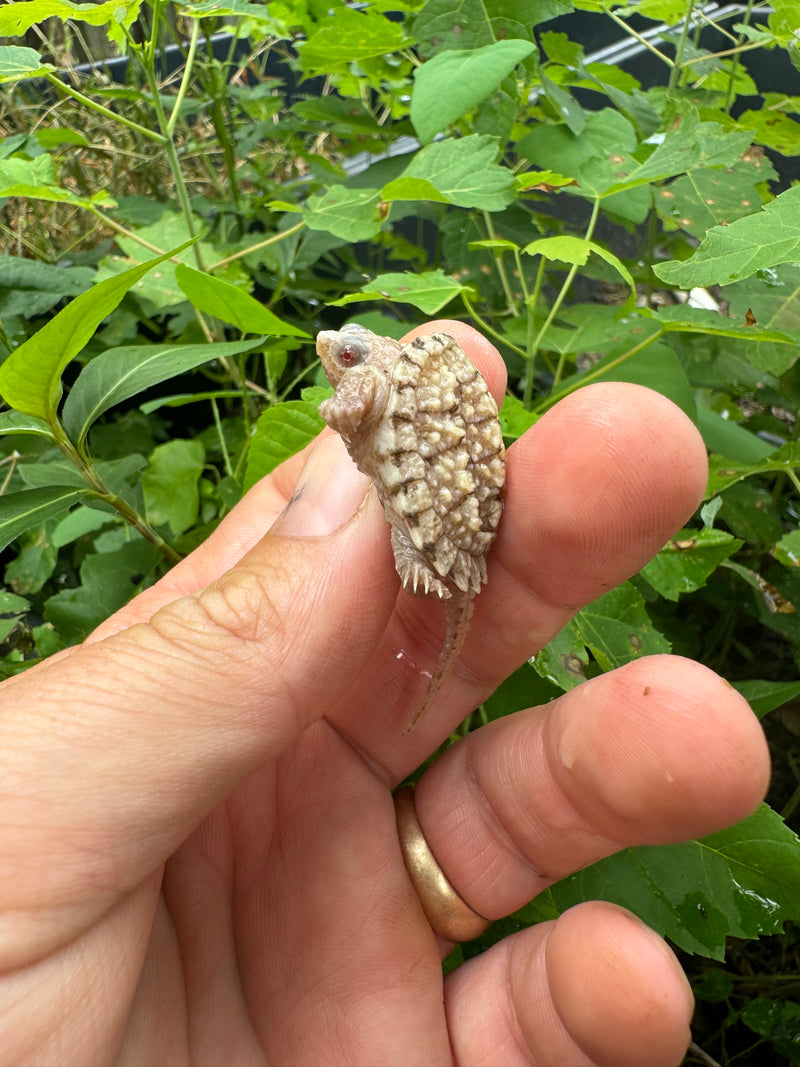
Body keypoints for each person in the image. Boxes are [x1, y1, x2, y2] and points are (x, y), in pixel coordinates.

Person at [0, 321, 769, 1066]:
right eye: (339, 351)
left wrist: (345, 413)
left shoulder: (388, 383)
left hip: (441, 515)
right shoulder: (420, 360)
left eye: (342, 352)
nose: (331, 356)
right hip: (447, 512)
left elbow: (348, 416)